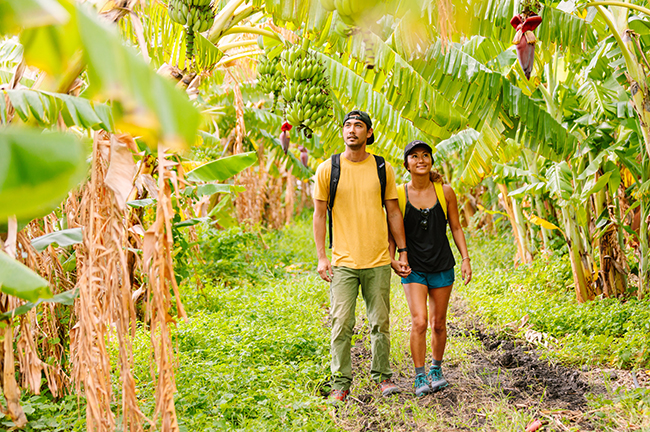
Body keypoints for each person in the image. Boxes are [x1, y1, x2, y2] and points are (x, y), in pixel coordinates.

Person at [313, 110, 409, 403]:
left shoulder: (382, 168)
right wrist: (321, 257)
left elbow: (393, 211)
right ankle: (340, 382)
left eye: (358, 126)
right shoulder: (327, 169)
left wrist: (402, 251)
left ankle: (382, 376)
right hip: (343, 262)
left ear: (369, 133)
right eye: (347, 125)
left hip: (378, 260)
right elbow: (319, 215)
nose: (351, 130)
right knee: (341, 323)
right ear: (343, 132)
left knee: (380, 323)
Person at [389, 140, 472, 397]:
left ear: (431, 161)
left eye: (425, 155)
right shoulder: (399, 194)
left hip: (442, 264)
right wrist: (392, 259)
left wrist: (466, 258)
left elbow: (456, 227)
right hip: (414, 267)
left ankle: (436, 369)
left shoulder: (445, 192)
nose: (421, 160)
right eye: (414, 157)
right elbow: (392, 231)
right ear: (407, 164)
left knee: (438, 323)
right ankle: (420, 375)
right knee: (419, 322)